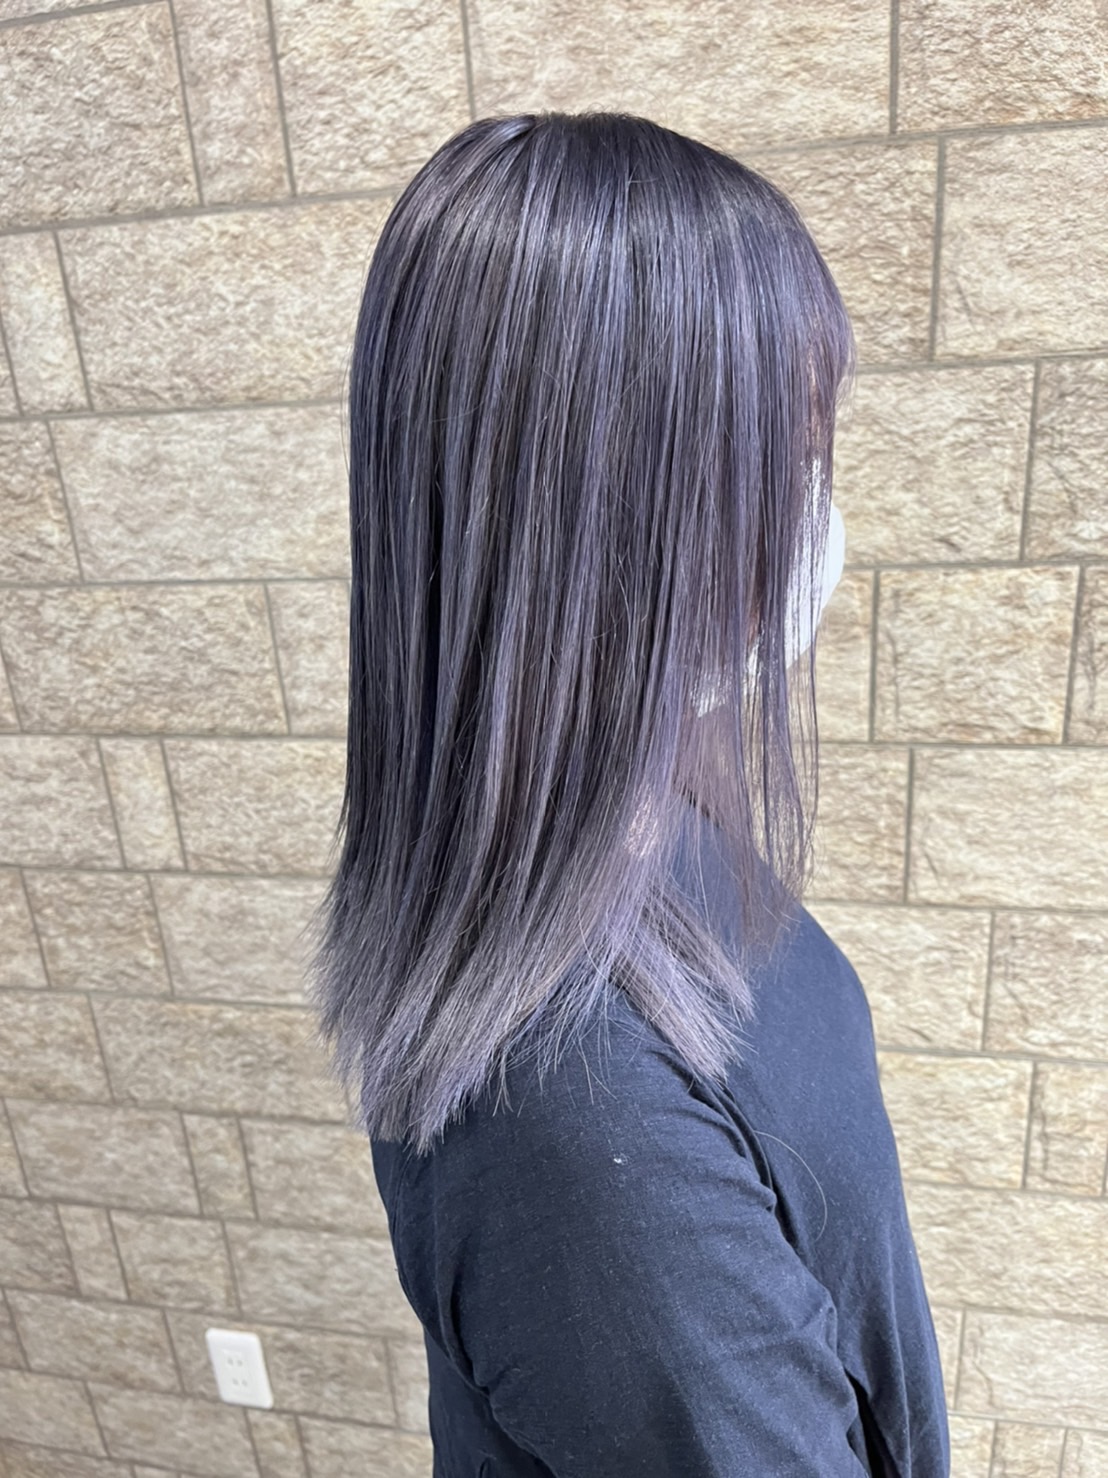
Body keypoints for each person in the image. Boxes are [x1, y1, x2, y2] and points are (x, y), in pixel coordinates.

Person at [306, 110, 952, 1477]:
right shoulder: (572, 1111)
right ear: (625, 519)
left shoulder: (640, 826)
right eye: (787, 463)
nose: (814, 515)